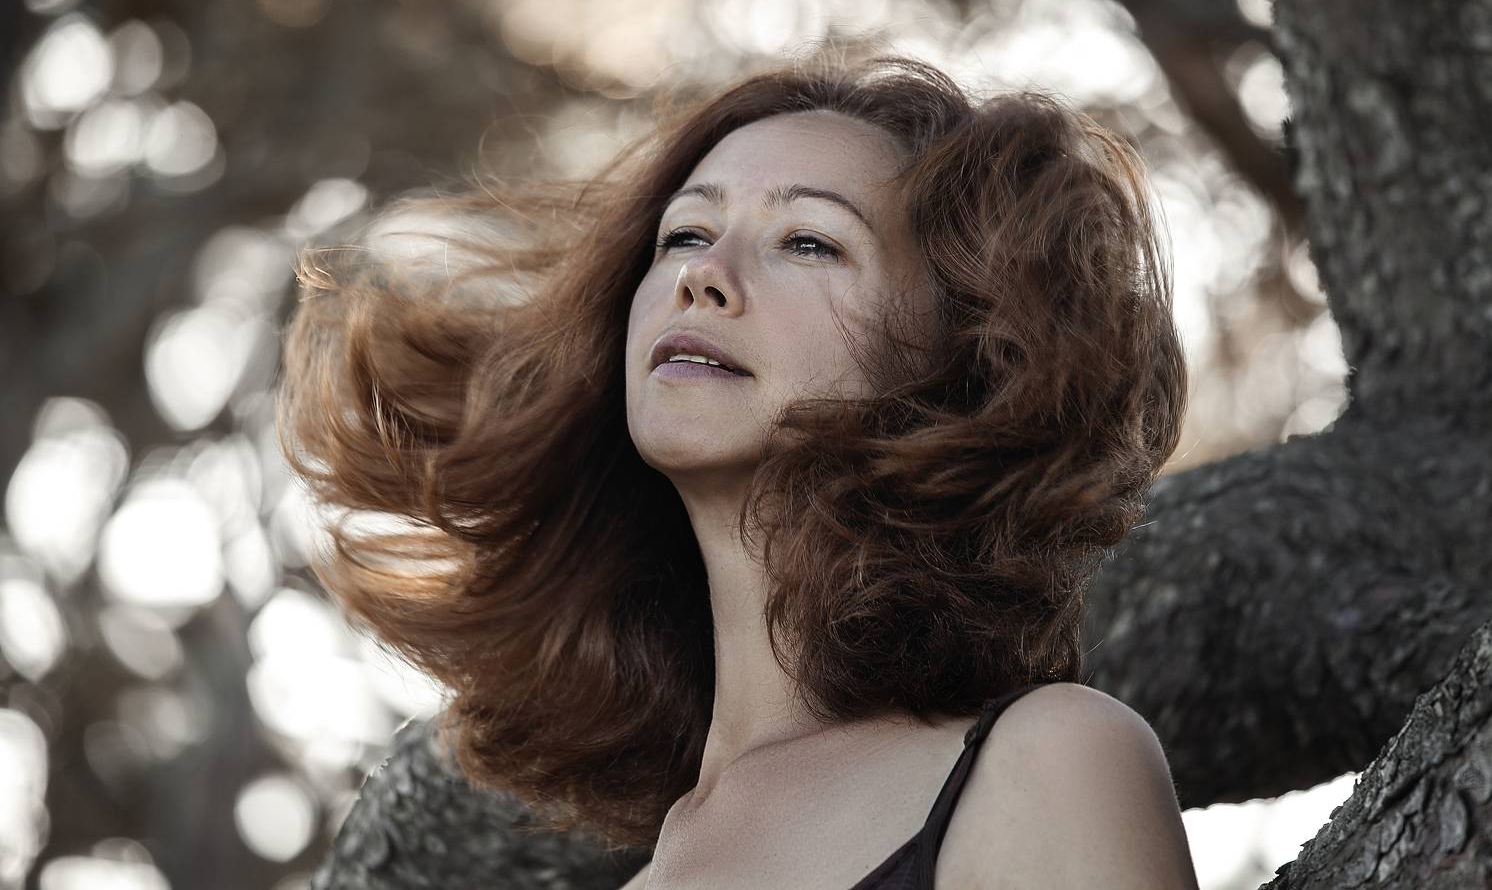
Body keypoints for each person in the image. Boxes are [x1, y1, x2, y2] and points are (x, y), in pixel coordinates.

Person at [277, 55, 1199, 889]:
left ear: (965, 358)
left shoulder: (1050, 760)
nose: (703, 276)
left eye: (809, 241)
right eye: (684, 234)